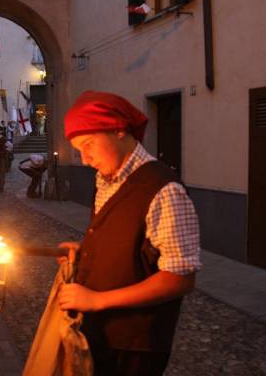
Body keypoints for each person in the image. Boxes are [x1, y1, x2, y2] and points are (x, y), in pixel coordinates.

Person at [57, 91, 201, 376]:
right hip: (99, 334)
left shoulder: (164, 190)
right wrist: (86, 249)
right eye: (78, 151)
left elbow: (180, 278)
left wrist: (97, 300)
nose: (85, 159)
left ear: (118, 130)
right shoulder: (106, 178)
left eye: (88, 145)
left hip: (134, 345)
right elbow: (127, 236)